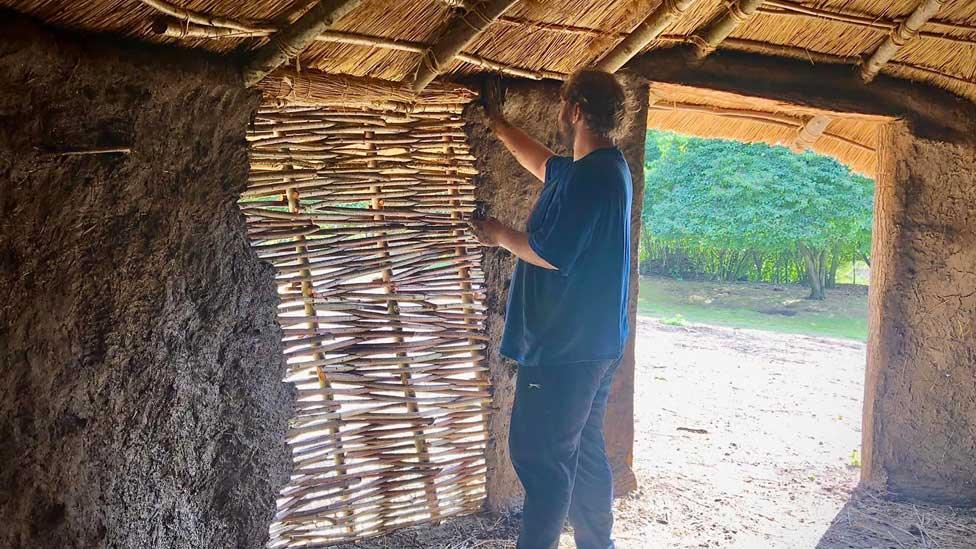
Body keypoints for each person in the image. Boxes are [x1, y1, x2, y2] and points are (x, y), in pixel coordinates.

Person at [468, 70, 632, 549]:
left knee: (542, 460)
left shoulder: (594, 178)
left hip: (565, 347)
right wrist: (498, 125)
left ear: (576, 110)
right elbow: (543, 164)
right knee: (583, 453)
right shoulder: (600, 169)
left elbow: (551, 251)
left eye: (565, 104)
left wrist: (499, 236)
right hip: (594, 344)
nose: (561, 112)